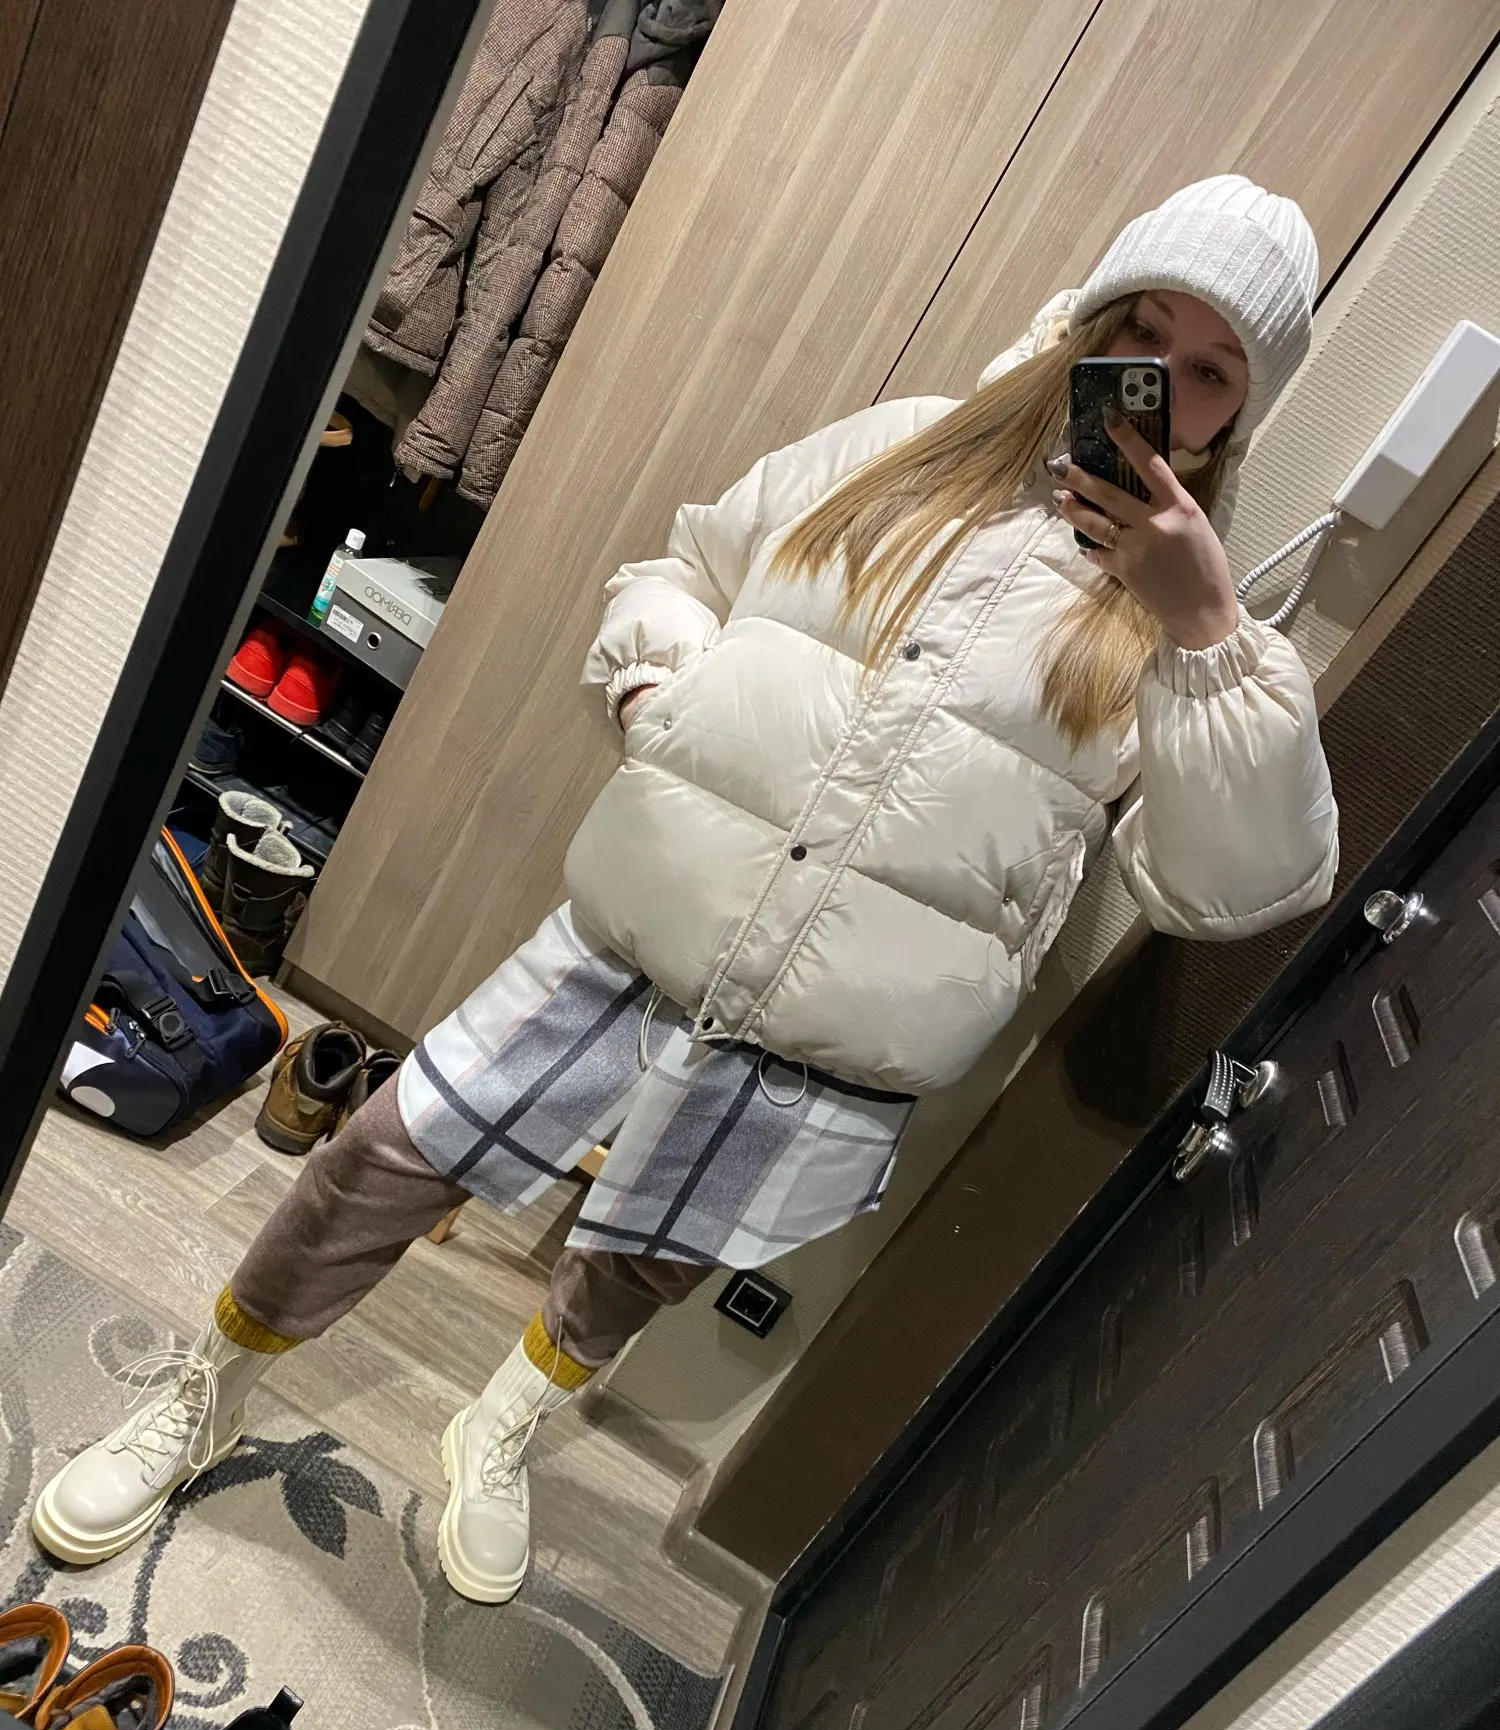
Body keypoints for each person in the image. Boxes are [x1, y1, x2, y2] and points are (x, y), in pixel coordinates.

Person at [35, 176, 1338, 1602]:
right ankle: (209, 1388)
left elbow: (1229, 887)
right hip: (651, 921)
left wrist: (1204, 627)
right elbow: (687, 568)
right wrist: (656, 685)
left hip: (841, 1032)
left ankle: (502, 1424)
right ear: (1089, 322)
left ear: (1237, 414)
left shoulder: (1202, 638)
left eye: (1210, 370)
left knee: (643, 1264)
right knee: (388, 1154)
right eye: (1141, 328)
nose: (1159, 382)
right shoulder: (901, 450)